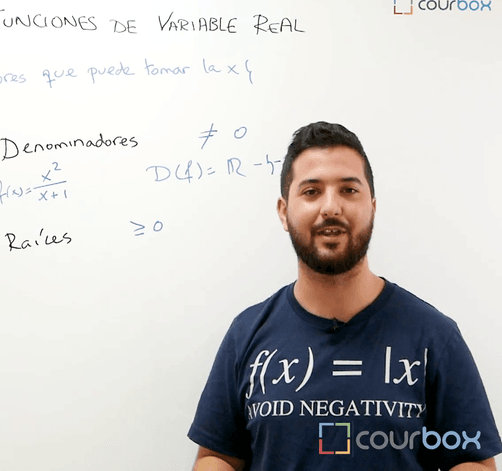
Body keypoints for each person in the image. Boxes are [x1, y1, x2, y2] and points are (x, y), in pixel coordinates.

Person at [188, 121, 502, 471]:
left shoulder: (434, 337)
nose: (331, 207)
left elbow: (473, 462)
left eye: (349, 190)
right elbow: (218, 456)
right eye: (311, 191)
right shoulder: (246, 334)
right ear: (284, 212)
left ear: (372, 206)